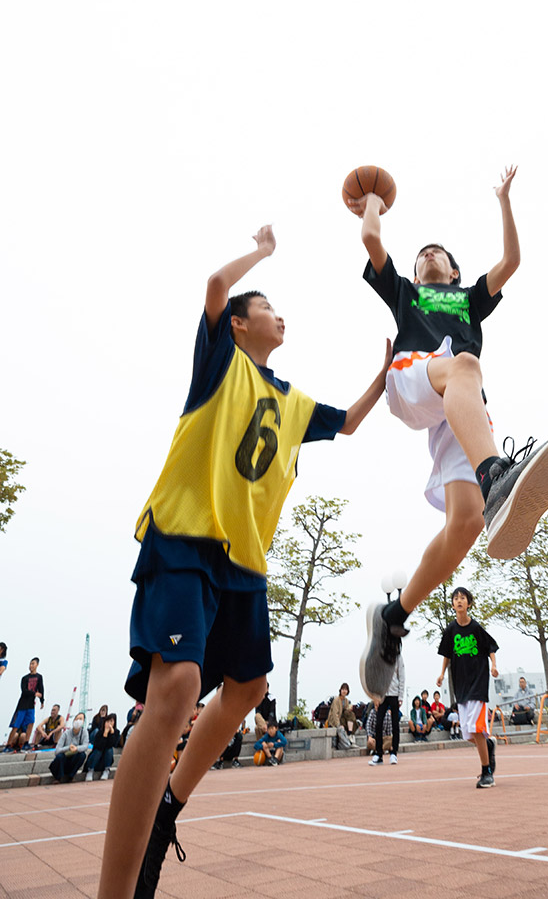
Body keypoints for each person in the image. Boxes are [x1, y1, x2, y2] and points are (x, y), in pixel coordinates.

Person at [98, 225, 392, 899]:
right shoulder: (218, 362)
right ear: (238, 323)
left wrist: (385, 374)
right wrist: (261, 251)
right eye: (266, 307)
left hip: (243, 562)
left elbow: (348, 422)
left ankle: (167, 806)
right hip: (185, 536)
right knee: (176, 688)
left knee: (249, 689)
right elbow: (213, 286)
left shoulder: (291, 402)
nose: (279, 315)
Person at [350, 169, 548, 702]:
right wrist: (373, 201)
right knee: (466, 363)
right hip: (414, 377)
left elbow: (512, 261)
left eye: (437, 253)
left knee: (468, 522)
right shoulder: (406, 293)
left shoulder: (469, 299)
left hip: (460, 404)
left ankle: (393, 617)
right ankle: (496, 474)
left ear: (454, 271)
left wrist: (504, 200)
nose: (427, 255)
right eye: (420, 254)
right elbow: (371, 238)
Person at [437, 588, 499, 788]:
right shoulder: (451, 629)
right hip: (461, 686)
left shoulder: (476, 627)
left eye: (463, 598)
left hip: (478, 684)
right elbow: (447, 653)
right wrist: (442, 673)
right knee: (468, 734)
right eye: (456, 598)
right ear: (453, 605)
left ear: (469, 603)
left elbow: (490, 647)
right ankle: (488, 745)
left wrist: (494, 666)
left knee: (477, 729)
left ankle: (487, 772)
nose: (459, 601)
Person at [370, 656, 404, 767]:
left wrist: (401, 696)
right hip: (382, 695)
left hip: (394, 694)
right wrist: (375, 697)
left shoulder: (398, 656)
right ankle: (378, 754)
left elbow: (401, 676)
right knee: (378, 723)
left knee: (395, 725)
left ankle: (394, 753)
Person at [5, 658, 45, 751]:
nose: (31, 666)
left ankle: (26, 743)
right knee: (16, 726)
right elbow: (24, 691)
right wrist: (34, 693)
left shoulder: (39, 677)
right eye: (30, 664)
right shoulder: (25, 678)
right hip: (22, 705)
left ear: (37, 665)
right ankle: (8, 745)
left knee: (31, 723)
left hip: (31, 705)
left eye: (33, 664)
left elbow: (41, 689)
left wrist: (42, 701)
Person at [49, 713, 89, 783]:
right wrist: (68, 748)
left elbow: (85, 746)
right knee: (59, 757)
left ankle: (71, 776)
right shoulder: (66, 733)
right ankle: (58, 778)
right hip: (64, 758)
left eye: (80, 719)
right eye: (77, 719)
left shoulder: (84, 732)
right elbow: (57, 750)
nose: (78, 721)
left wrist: (76, 748)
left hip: (73, 759)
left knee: (82, 755)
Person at [85, 713, 119, 780]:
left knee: (109, 749)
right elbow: (99, 746)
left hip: (105, 760)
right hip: (96, 758)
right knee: (99, 750)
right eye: (107, 721)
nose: (109, 724)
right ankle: (90, 770)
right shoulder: (99, 732)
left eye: (111, 721)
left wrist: (111, 734)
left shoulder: (116, 732)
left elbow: (112, 744)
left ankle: (106, 770)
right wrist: (105, 734)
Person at [326, 683, 357, 749]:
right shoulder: (336, 700)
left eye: (346, 690)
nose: (344, 691)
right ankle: (349, 737)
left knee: (351, 714)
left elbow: (346, 713)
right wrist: (338, 725)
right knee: (342, 727)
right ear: (340, 690)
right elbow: (335, 714)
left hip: (342, 719)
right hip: (334, 721)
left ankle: (350, 733)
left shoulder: (346, 700)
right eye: (343, 689)